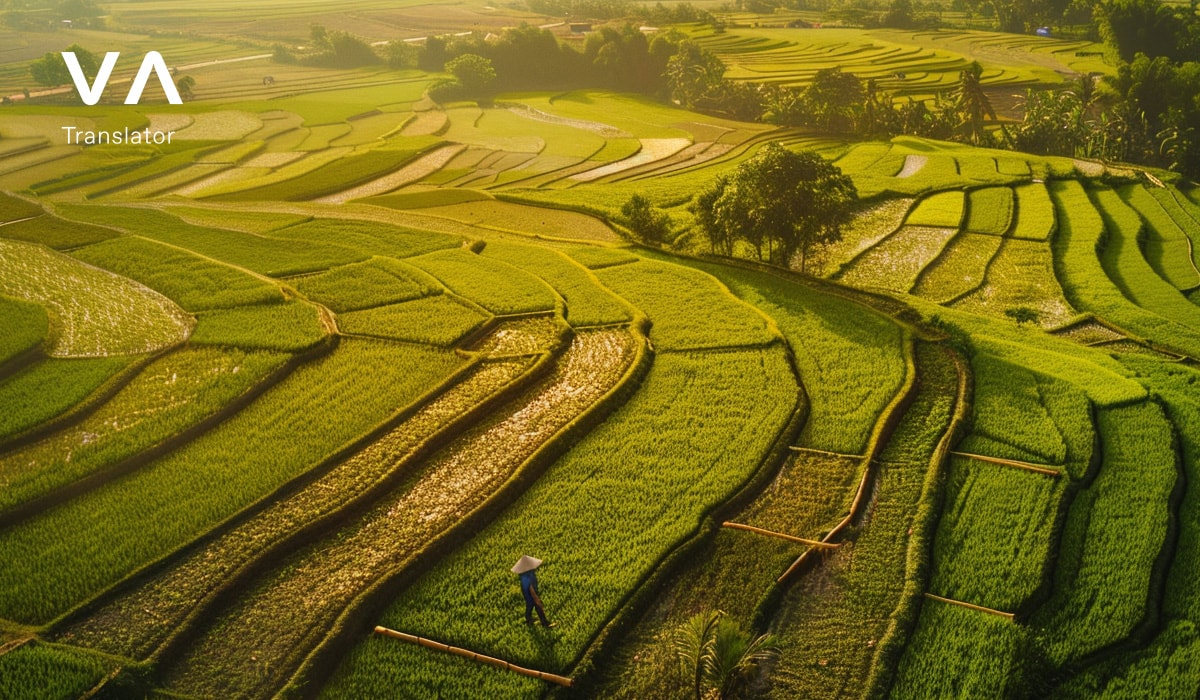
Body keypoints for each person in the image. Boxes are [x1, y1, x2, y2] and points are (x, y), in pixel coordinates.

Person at [512, 555, 556, 628]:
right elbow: (530, 588)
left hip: (528, 593)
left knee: (530, 605)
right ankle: (545, 623)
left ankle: (528, 619)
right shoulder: (528, 576)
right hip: (531, 594)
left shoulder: (524, 574)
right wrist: (536, 598)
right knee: (538, 607)